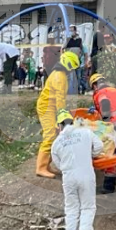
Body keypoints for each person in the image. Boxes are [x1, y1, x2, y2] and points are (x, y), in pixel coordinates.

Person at [50, 110, 102, 230]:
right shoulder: (85, 132)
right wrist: (89, 155)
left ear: (59, 126)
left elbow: (57, 163)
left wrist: (67, 168)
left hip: (68, 176)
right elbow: (99, 146)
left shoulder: (56, 143)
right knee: (88, 206)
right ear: (72, 122)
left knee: (71, 207)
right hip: (85, 172)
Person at [35, 50, 79, 178]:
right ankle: (41, 168)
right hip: (47, 107)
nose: (72, 71)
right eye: (72, 68)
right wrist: (63, 119)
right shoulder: (60, 77)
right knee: (49, 136)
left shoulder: (59, 74)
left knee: (54, 135)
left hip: (50, 106)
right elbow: (60, 99)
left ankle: (46, 166)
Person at [65, 28, 87, 93]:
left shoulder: (79, 40)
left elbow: (83, 51)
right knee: (69, 77)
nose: (71, 32)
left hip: (77, 62)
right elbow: (62, 49)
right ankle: (69, 90)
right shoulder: (67, 40)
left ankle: (78, 90)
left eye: (72, 30)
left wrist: (85, 60)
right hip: (69, 63)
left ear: (75, 31)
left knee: (78, 77)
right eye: (70, 30)